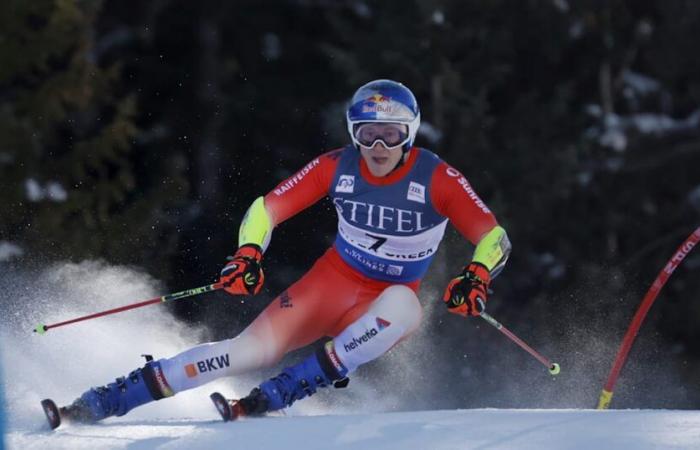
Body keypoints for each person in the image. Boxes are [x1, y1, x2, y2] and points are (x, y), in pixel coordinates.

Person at [58, 79, 511, 423]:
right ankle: (107, 400)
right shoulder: (336, 166)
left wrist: (477, 275)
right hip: (329, 285)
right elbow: (266, 208)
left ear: (408, 135)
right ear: (353, 133)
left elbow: (494, 237)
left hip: (383, 305)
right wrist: (248, 252)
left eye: (390, 136)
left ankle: (293, 385)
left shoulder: (436, 177)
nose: (377, 147)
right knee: (243, 353)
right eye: (367, 133)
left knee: (406, 304)